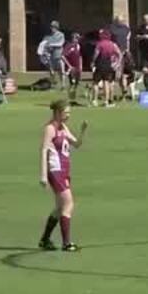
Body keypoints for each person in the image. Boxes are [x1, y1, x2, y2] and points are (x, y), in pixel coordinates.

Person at [39, 99, 88, 253]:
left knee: (59, 207)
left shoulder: (63, 127)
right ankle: (66, 243)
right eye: (66, 112)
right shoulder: (50, 128)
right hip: (56, 170)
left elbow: (77, 144)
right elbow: (44, 150)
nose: (68, 115)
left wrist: (83, 131)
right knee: (68, 204)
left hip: (65, 171)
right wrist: (43, 175)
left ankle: (45, 239)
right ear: (58, 113)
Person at [91, 29, 121, 107]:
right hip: (108, 64)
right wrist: (117, 63)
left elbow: (96, 54)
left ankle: (95, 100)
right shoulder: (112, 44)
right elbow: (119, 54)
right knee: (106, 82)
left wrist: (93, 62)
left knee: (95, 82)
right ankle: (106, 101)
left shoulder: (100, 44)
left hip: (100, 63)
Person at [37, 21, 66, 86]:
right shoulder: (47, 36)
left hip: (59, 56)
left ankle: (63, 85)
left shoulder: (61, 35)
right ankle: (53, 84)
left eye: (53, 27)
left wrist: (51, 44)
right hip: (50, 57)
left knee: (61, 71)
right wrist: (43, 52)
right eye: (51, 27)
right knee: (52, 72)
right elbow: (43, 45)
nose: (52, 28)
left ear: (57, 27)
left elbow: (61, 43)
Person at [62, 32, 84, 102]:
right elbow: (63, 56)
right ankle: (70, 99)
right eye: (76, 38)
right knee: (72, 83)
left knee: (76, 84)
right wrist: (69, 66)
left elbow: (80, 56)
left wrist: (81, 66)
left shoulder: (78, 46)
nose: (77, 40)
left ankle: (73, 99)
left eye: (78, 39)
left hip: (77, 67)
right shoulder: (69, 46)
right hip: (72, 68)